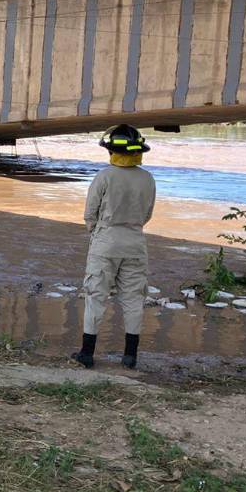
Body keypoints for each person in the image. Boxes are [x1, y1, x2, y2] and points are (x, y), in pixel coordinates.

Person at [73, 124, 156, 370]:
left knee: (96, 296)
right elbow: (148, 214)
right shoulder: (147, 178)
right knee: (133, 299)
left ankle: (87, 354)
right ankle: (130, 356)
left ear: (110, 150)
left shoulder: (104, 176)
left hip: (106, 241)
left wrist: (98, 232)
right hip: (135, 242)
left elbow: (90, 214)